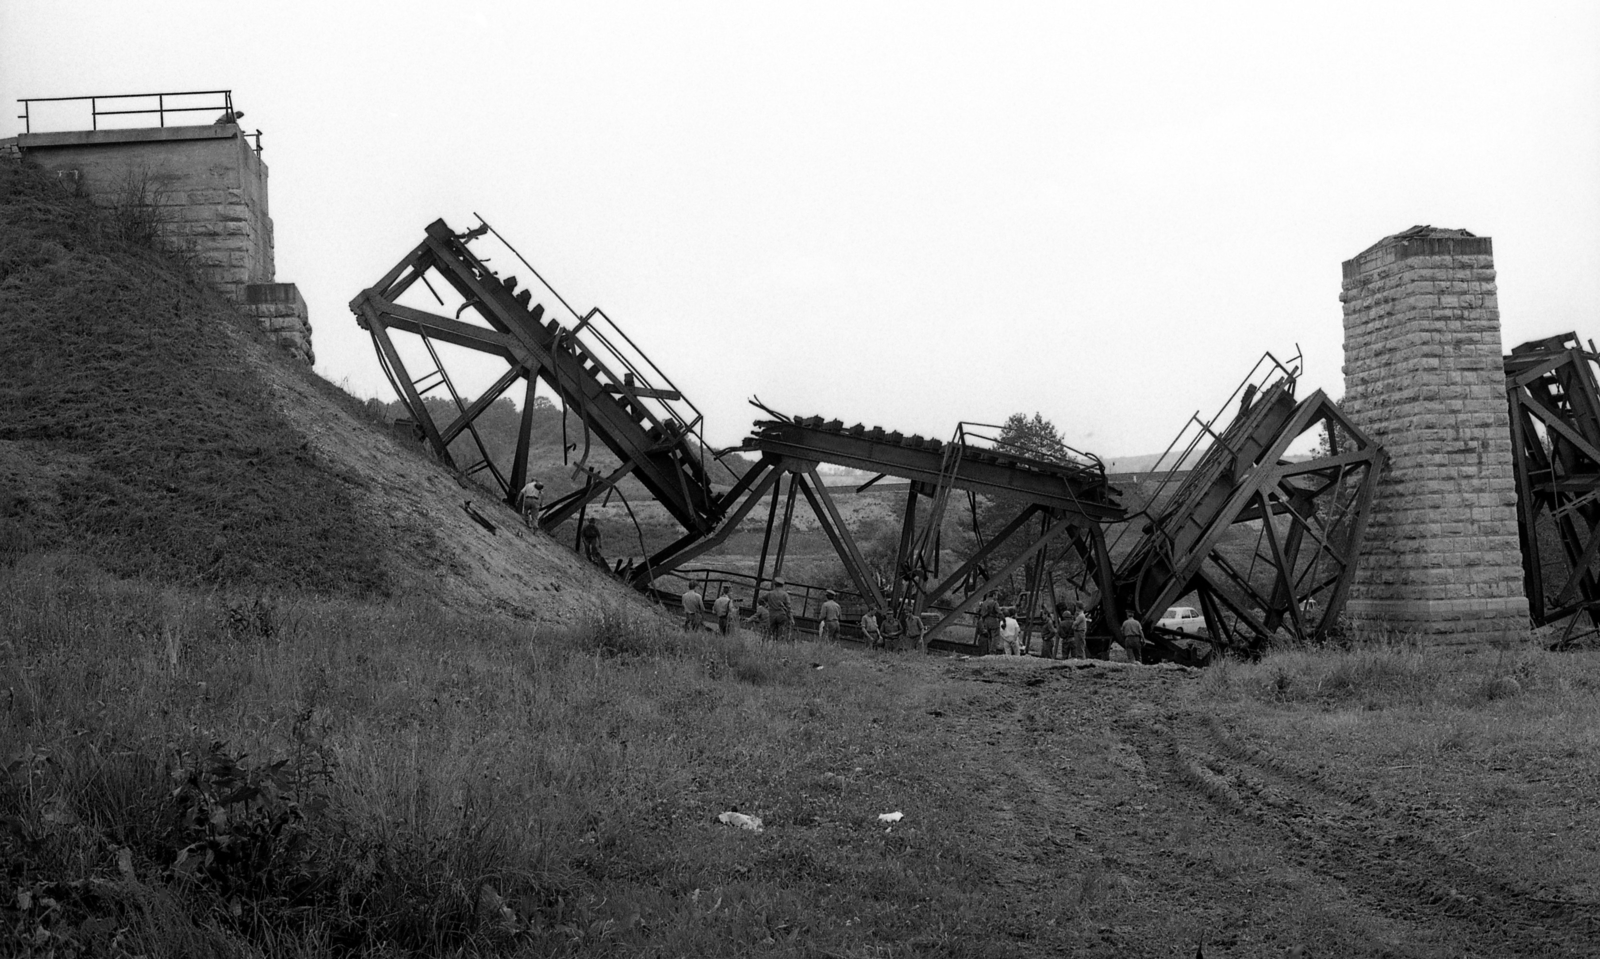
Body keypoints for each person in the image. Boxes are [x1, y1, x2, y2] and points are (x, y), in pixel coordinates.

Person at [765, 578, 793, 643]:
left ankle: (766, 647)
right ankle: (778, 647)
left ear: (775, 584)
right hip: (781, 616)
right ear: (782, 585)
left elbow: (760, 600)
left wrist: (766, 607)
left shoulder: (770, 593)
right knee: (781, 635)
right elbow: (789, 607)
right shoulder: (785, 594)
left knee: (769, 634)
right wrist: (791, 618)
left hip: (771, 615)